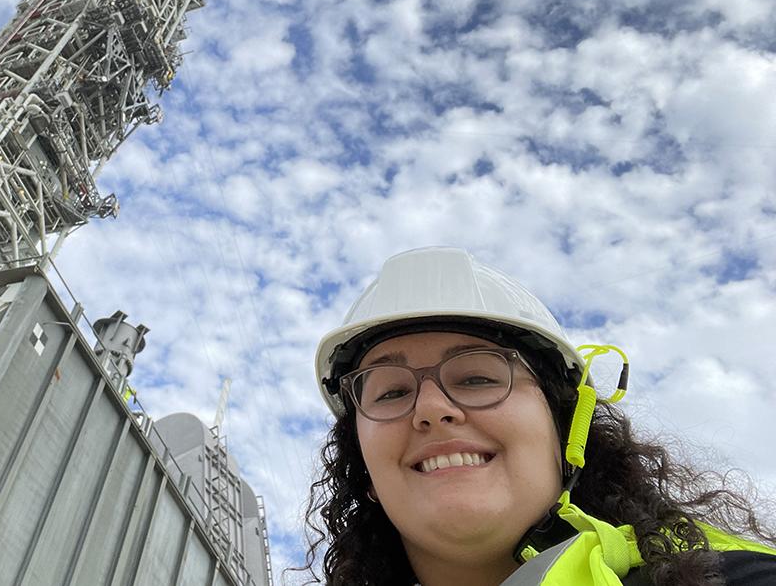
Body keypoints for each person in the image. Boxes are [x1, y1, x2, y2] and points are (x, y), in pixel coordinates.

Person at [299, 247, 776, 585]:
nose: (431, 409)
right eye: (392, 392)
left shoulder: (726, 578)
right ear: (365, 472)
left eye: (478, 378)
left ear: (567, 430)